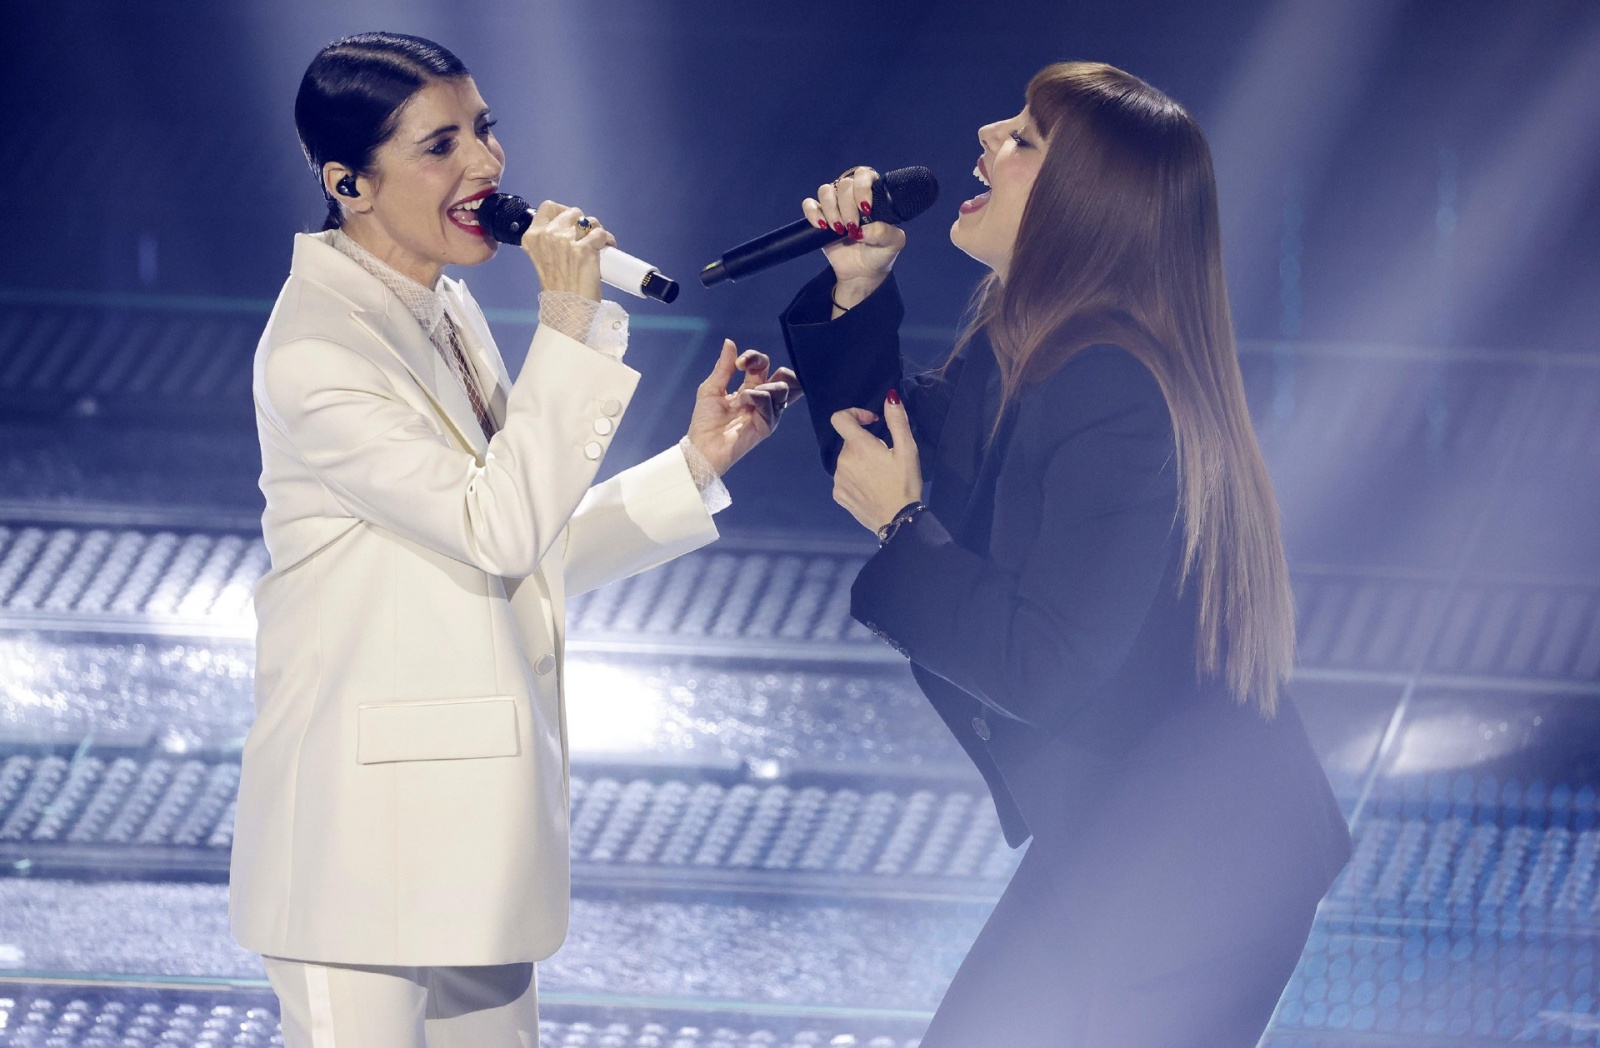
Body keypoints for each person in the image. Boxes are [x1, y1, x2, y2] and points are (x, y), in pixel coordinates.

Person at [229, 32, 797, 1047]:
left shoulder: (443, 308)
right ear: (349, 182)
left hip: (475, 843)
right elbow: (497, 530)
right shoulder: (317, 350)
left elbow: (519, 546)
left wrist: (694, 466)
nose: (488, 165)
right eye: (441, 145)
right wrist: (569, 315)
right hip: (354, 856)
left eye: (484, 129)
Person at [778, 61, 1351, 1047]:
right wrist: (856, 291)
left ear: (1086, 205)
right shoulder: (1031, 349)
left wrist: (909, 530)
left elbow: (1047, 663)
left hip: (1197, 872)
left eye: (1023, 138)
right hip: (1121, 842)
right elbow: (882, 452)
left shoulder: (1112, 386)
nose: (985, 138)